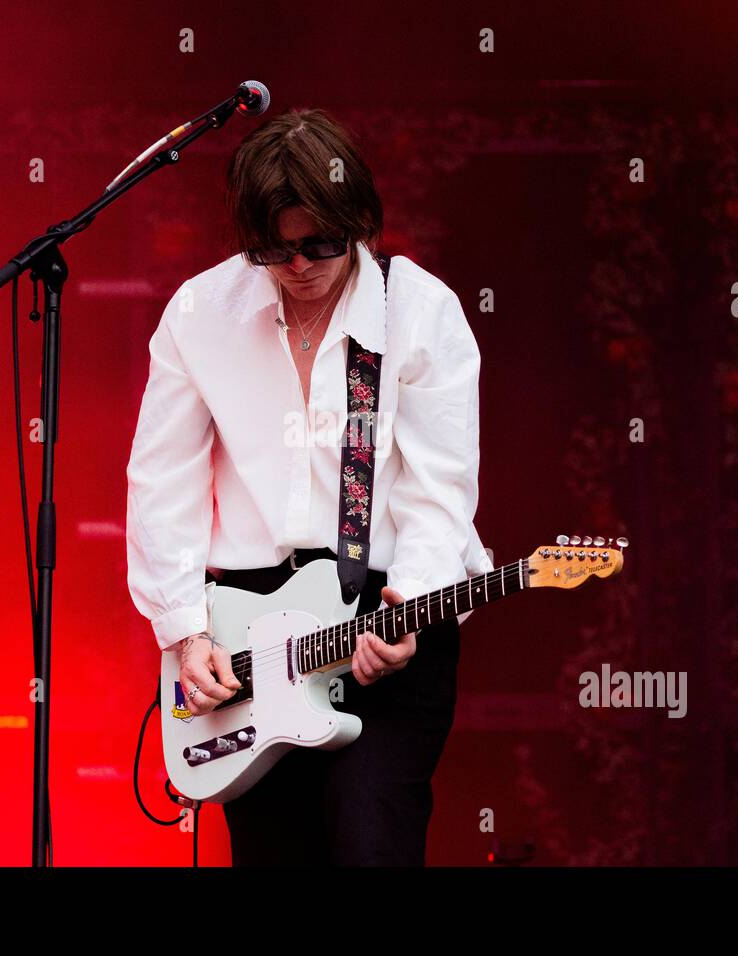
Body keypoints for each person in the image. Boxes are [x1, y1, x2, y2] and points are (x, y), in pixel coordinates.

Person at [126, 107, 491, 865]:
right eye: (275, 250)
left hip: (387, 614)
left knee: (370, 840)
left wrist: (412, 608)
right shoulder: (200, 314)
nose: (299, 266)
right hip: (246, 639)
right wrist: (185, 632)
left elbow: (440, 488)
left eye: (320, 244)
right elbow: (163, 482)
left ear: (356, 220)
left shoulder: (418, 313)